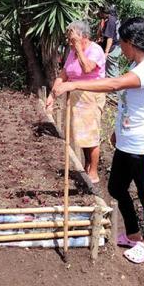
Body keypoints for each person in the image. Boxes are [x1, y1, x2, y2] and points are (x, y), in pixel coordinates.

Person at [52, 17, 144, 264]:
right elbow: (129, 104)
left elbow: (114, 85)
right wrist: (118, 131)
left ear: (131, 42)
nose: (119, 47)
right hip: (127, 143)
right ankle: (133, 234)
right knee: (116, 187)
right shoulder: (137, 67)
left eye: (121, 43)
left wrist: (71, 84)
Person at [46, 21, 106, 184]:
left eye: (72, 38)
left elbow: (87, 68)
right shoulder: (72, 52)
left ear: (83, 36)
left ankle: (93, 173)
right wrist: (52, 95)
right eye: (69, 39)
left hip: (91, 95)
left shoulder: (95, 50)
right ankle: (86, 166)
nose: (69, 42)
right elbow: (64, 74)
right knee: (80, 135)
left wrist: (78, 47)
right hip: (75, 96)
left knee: (90, 135)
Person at [96, 5, 121, 79]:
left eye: (99, 12)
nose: (98, 15)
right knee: (112, 70)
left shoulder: (110, 21)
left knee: (112, 72)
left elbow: (110, 38)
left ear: (103, 12)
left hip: (112, 49)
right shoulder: (112, 19)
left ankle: (116, 89)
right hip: (116, 47)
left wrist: (106, 52)